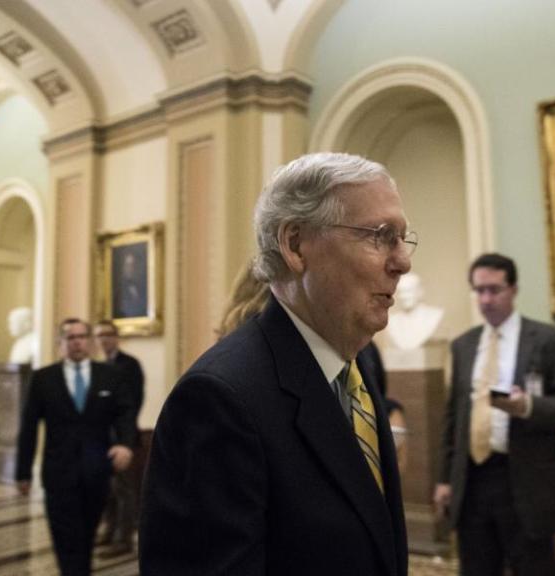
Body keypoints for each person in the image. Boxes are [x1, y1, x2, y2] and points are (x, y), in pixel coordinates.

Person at [140, 152, 414, 575]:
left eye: (402, 238)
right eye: (379, 236)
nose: (402, 262)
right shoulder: (220, 399)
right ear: (295, 245)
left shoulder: (352, 371)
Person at [434, 253, 555, 576]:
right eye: (479, 291)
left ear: (513, 289)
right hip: (472, 481)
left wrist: (528, 407)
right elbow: (454, 416)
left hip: (527, 482)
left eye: (494, 290)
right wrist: (445, 478)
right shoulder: (463, 345)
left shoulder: (549, 340)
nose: (485, 300)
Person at [16, 318, 136, 576]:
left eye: (82, 336)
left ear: (90, 342)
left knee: (87, 532)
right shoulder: (42, 378)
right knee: (65, 535)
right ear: (60, 343)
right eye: (70, 337)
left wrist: (125, 444)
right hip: (58, 471)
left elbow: (125, 413)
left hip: (96, 470)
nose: (77, 342)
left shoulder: (110, 375)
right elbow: (28, 427)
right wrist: (22, 472)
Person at [94, 320, 145, 557]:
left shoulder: (130, 365)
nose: (103, 339)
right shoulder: (100, 366)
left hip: (123, 438)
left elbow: (132, 403)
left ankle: (123, 539)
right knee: (108, 490)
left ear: (116, 337)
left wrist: (123, 438)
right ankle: (109, 531)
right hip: (103, 437)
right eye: (99, 335)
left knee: (125, 490)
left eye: (107, 334)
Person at [384, 272, 444, 350]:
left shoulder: (435, 315)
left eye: (408, 291)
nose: (404, 296)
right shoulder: (392, 321)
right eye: (401, 292)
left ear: (419, 292)